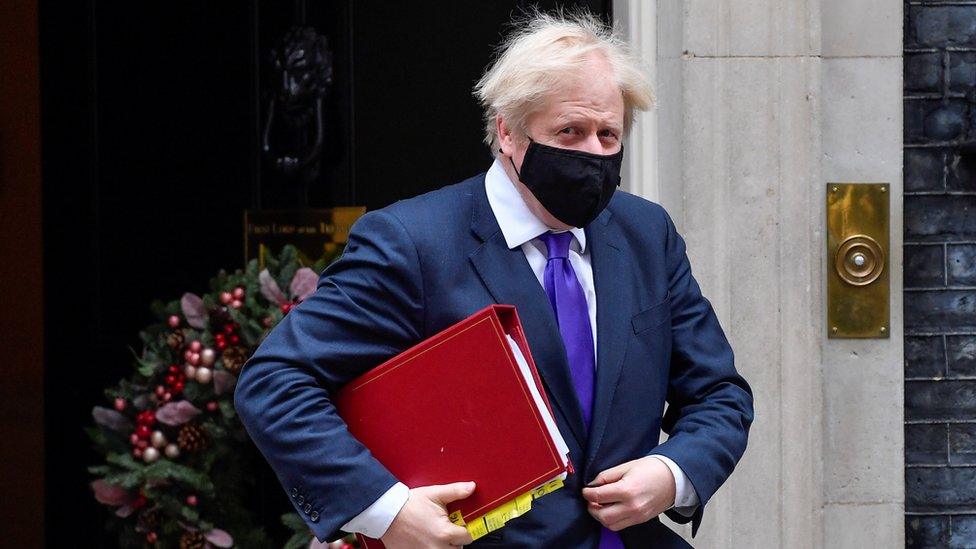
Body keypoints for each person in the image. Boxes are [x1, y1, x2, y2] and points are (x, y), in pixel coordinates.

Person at [234, 12, 753, 549]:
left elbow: (719, 393)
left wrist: (671, 475)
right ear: (508, 131)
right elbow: (275, 382)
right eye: (569, 131)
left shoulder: (647, 233)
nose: (594, 154)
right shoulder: (413, 242)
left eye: (608, 135)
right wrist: (387, 510)